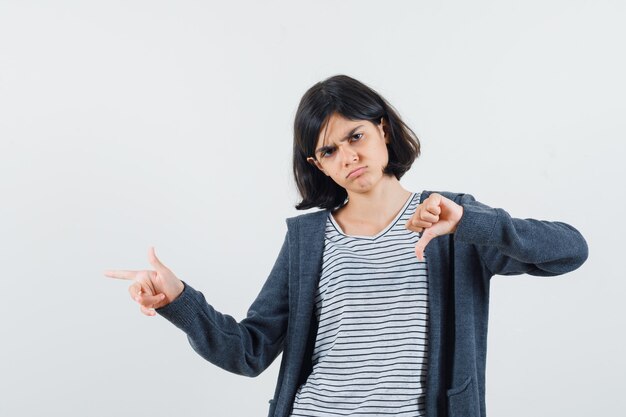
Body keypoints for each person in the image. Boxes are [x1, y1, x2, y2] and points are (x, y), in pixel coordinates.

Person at [105, 75, 589, 417]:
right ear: (318, 165)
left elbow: (570, 250)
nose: (348, 156)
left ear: (381, 128)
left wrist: (470, 222)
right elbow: (248, 352)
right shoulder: (308, 239)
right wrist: (178, 300)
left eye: (355, 135)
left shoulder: (450, 221)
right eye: (329, 151)